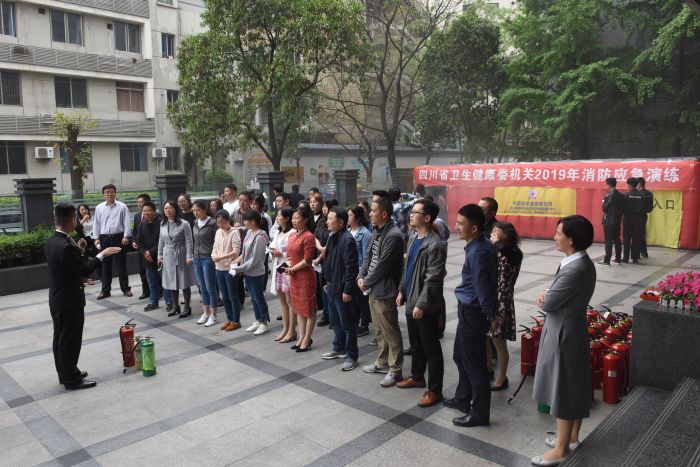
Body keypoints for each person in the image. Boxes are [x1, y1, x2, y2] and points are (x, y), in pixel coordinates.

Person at [531, 215, 596, 466]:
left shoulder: (574, 268)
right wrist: (549, 293)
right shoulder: (578, 262)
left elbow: (549, 303)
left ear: (572, 239)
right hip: (570, 328)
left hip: (564, 333)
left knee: (564, 388)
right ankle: (571, 438)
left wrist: (546, 294)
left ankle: (561, 450)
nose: (554, 237)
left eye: (559, 233)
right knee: (573, 384)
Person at [46, 203, 121, 390]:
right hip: (69, 300)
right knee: (70, 340)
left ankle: (66, 372)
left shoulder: (53, 240)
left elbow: (69, 264)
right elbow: (84, 270)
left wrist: (79, 249)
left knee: (60, 338)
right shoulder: (65, 245)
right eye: (76, 220)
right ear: (72, 220)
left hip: (57, 298)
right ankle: (71, 379)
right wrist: (102, 255)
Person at [445, 204, 499, 428]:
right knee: (460, 355)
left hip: (474, 312)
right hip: (469, 310)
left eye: (461, 224)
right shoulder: (479, 245)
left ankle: (479, 414)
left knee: (475, 365)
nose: (456, 227)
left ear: (474, 228)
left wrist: (491, 315)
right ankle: (462, 398)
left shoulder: (478, 252)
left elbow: (482, 287)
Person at [396, 199, 446, 407]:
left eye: (415, 212)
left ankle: (435, 390)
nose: (411, 215)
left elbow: (433, 278)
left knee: (431, 348)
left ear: (426, 218)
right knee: (416, 344)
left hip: (425, 305)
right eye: (412, 211)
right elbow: (408, 267)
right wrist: (402, 290)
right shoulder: (413, 237)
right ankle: (417, 377)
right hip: (412, 299)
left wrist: (421, 304)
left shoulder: (435, 244)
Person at [358, 197, 405, 387]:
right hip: (372, 287)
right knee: (379, 329)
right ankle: (383, 361)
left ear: (384, 214)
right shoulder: (376, 231)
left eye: (373, 210)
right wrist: (361, 276)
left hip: (385, 289)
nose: (370, 214)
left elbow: (383, 266)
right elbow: (368, 258)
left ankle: (396, 369)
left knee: (390, 330)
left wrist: (366, 281)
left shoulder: (394, 235)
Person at [322, 207, 360, 370]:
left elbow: (351, 268)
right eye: (328, 218)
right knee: (335, 321)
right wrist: (328, 281)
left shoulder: (347, 240)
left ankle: (352, 355)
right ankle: (339, 348)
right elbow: (331, 261)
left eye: (331, 219)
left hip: (343, 288)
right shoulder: (332, 236)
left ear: (341, 222)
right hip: (332, 285)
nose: (327, 221)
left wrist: (348, 290)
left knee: (348, 324)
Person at [487, 221, 522, 390]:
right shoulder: (494, 248)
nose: (493, 233)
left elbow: (507, 254)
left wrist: (496, 244)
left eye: (497, 230)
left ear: (507, 234)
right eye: (492, 230)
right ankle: (488, 370)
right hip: (488, 297)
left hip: (502, 300)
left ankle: (501, 378)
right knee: (485, 337)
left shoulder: (514, 252)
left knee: (499, 341)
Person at [231, 211, 271, 335]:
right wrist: (237, 261)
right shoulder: (249, 233)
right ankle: (258, 320)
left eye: (245, 220)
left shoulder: (260, 237)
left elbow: (255, 259)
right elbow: (244, 252)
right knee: (253, 298)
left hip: (256, 273)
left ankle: (264, 322)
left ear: (253, 221)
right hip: (247, 272)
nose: (244, 223)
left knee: (259, 298)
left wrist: (240, 269)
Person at [285, 208, 317, 352]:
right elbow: (290, 255)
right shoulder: (292, 235)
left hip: (305, 277)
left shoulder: (309, 237)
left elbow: (307, 260)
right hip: (294, 276)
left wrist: (292, 269)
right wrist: (288, 264)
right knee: (298, 307)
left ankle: (307, 339)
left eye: (297, 218)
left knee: (308, 309)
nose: (294, 220)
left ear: (305, 220)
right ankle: (301, 337)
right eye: (293, 218)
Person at [158, 200, 197, 318]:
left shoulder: (184, 223)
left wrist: (189, 256)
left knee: (184, 281)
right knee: (171, 281)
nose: (168, 210)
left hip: (181, 254)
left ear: (175, 209)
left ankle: (187, 307)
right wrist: (159, 255)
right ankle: (175, 306)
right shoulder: (162, 224)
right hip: (167, 255)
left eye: (171, 208)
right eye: (166, 208)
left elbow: (189, 241)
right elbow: (161, 241)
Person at [92, 184, 132, 299]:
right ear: (103, 194)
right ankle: (105, 290)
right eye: (107, 192)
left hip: (119, 238)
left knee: (121, 265)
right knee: (105, 265)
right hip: (104, 238)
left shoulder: (122, 206)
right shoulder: (99, 207)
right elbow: (96, 223)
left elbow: (126, 222)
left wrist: (126, 236)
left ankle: (125, 289)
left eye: (112, 192)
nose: (109, 194)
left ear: (115, 193)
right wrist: (96, 238)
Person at [138, 201, 172, 312]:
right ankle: (153, 302)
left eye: (148, 211)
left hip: (160, 257)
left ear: (154, 211)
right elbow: (139, 242)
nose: (146, 213)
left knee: (165, 281)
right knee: (152, 282)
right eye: (144, 211)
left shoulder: (162, 223)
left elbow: (164, 241)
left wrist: (150, 252)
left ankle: (169, 301)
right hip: (147, 258)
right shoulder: (142, 224)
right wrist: (145, 252)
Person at [212, 210, 242, 331]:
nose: (220, 225)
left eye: (223, 222)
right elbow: (215, 247)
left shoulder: (234, 232)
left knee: (232, 296)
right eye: (218, 223)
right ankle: (229, 319)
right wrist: (214, 255)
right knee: (224, 296)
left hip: (230, 268)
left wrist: (220, 258)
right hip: (218, 268)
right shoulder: (218, 232)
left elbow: (236, 251)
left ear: (228, 220)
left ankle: (236, 320)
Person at [270, 207, 296, 342]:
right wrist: (272, 251)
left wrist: (281, 253)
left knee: (290, 301)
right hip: (278, 268)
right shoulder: (277, 232)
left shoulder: (292, 233)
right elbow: (273, 246)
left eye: (279, 216)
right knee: (283, 301)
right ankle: (285, 329)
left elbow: (292, 253)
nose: (277, 218)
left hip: (286, 267)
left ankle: (292, 330)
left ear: (287, 218)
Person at [192, 199, 219, 327]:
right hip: (197, 258)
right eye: (194, 210)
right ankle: (206, 313)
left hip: (208, 258)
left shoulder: (212, 223)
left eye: (198, 210)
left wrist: (214, 255)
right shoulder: (195, 223)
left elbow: (216, 242)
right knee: (202, 288)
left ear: (204, 210)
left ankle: (214, 315)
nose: (196, 213)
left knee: (210, 288)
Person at [348, 206, 372, 337]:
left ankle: (364, 325)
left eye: (350, 215)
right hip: (349, 271)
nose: (348, 217)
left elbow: (366, 256)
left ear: (357, 218)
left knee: (362, 300)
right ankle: (355, 322)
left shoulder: (365, 233)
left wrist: (362, 274)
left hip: (359, 271)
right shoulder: (347, 231)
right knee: (353, 299)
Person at [311, 193, 331, 327]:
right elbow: (315, 236)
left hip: (326, 259)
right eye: (323, 207)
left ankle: (330, 314)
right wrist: (320, 248)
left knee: (328, 286)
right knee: (322, 285)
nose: (324, 209)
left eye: (326, 207)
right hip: (319, 258)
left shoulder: (331, 224)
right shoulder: (322, 222)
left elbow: (329, 241)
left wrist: (320, 255)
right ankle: (326, 313)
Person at [599, 177, 625, 265]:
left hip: (608, 221)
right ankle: (618, 258)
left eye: (606, 184)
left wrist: (603, 203)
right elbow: (623, 208)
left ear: (609, 184)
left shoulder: (608, 195)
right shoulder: (621, 195)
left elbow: (604, 208)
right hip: (617, 221)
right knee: (617, 239)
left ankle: (607, 260)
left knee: (608, 241)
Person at [132, 193, 152, 300]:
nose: (139, 204)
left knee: (154, 271)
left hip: (151, 248)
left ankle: (158, 291)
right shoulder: (137, 216)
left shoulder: (156, 216)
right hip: (140, 248)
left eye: (141, 202)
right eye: (138, 202)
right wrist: (133, 241)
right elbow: (134, 231)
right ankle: (146, 291)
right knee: (142, 270)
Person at [75, 203, 99, 285]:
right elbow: (77, 229)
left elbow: (97, 228)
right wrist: (83, 220)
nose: (84, 211)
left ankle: (101, 275)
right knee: (85, 260)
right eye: (82, 210)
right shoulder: (78, 219)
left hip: (93, 239)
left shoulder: (93, 218)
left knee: (98, 256)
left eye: (85, 209)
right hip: (84, 241)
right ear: (79, 211)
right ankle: (88, 278)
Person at [622, 177, 644, 264]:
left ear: (629, 185)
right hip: (638, 219)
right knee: (636, 239)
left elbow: (622, 208)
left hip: (627, 219)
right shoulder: (641, 196)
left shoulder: (625, 195)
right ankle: (635, 258)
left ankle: (626, 258)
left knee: (626, 239)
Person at [637, 177, 653, 258]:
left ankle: (637, 252)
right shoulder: (649, 194)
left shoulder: (638, 194)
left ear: (639, 184)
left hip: (636, 215)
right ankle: (643, 251)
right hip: (644, 215)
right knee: (642, 233)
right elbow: (650, 208)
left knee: (636, 234)